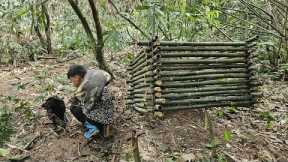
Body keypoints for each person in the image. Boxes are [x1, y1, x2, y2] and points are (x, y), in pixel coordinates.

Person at [67, 65, 114, 140]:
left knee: (74, 108)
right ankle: (105, 124)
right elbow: (108, 77)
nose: (72, 83)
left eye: (72, 80)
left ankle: (93, 128)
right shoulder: (93, 72)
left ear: (77, 76)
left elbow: (87, 106)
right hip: (109, 109)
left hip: (102, 116)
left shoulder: (84, 86)